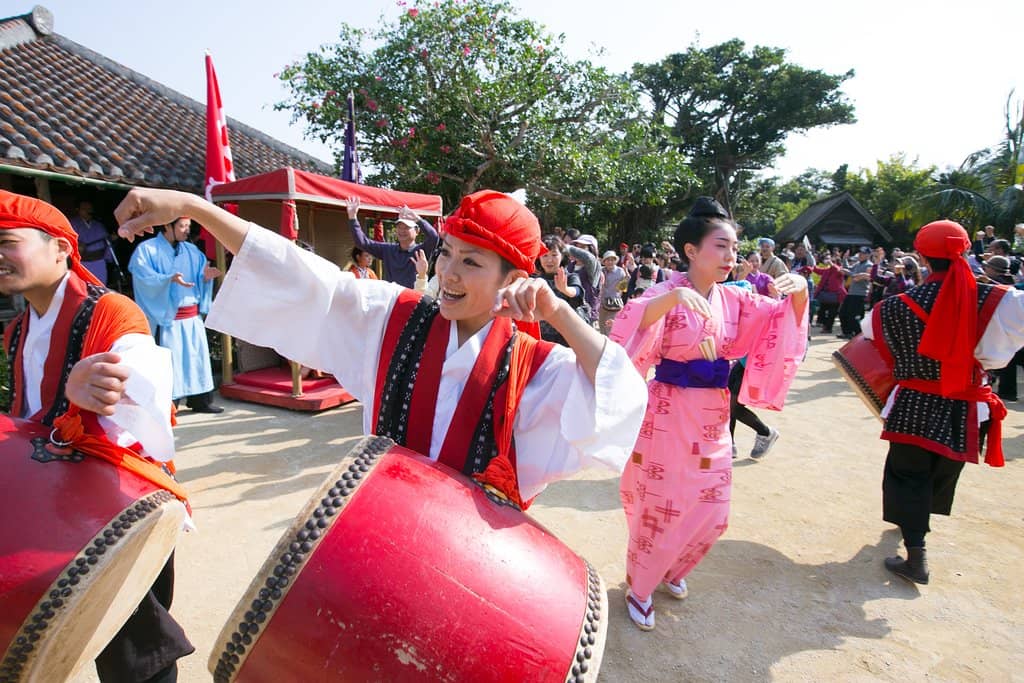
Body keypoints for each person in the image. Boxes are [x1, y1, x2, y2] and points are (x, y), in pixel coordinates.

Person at [114, 187, 647, 513]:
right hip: (378, 529)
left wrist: (558, 314)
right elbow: (302, 275)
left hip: (475, 562)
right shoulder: (393, 317)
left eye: (472, 263)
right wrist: (195, 208)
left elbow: (620, 392)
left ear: (514, 278)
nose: (449, 274)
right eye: (448, 254)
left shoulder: (535, 367)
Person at [0, 190, 193, 682]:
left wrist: (99, 388)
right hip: (58, 503)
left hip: (114, 508)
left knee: (134, 651)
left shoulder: (110, 313)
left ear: (62, 248)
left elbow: (144, 395)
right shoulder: (18, 330)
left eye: (7, 242)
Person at [610, 197, 808, 631]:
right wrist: (673, 297)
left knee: (712, 509)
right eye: (721, 246)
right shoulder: (665, 291)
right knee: (664, 503)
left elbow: (779, 320)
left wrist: (800, 292)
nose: (731, 256)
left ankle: (672, 568)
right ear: (691, 251)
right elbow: (631, 324)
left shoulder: (735, 299)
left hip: (714, 412)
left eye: (735, 248)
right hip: (668, 410)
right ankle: (641, 586)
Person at [861, 220, 1024, 585]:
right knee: (939, 473)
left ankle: (916, 554)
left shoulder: (892, 308)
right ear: (967, 252)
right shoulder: (1001, 301)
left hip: (913, 405)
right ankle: (916, 524)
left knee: (907, 475)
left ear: (920, 257)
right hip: (967, 407)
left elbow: (867, 334)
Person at [128, 217, 224, 414]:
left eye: (188, 226)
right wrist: (167, 279)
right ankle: (169, 405)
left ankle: (201, 401)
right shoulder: (147, 250)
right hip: (168, 318)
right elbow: (142, 277)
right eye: (182, 226)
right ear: (166, 225)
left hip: (191, 316)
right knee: (170, 364)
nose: (186, 230)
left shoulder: (192, 251)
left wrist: (205, 277)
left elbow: (200, 273)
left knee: (196, 359)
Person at [347, 199, 439, 288]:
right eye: (399, 227)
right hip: (392, 300)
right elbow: (362, 243)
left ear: (417, 231)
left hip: (413, 300)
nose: (402, 231)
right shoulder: (388, 250)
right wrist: (352, 218)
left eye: (406, 227)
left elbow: (434, 237)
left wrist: (417, 218)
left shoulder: (421, 252)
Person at [534, 235, 588, 346]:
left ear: (562, 256)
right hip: (540, 336)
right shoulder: (534, 280)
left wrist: (566, 290)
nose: (549, 260)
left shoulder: (571, 277)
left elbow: (577, 291)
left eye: (554, 255)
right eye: (544, 255)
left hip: (565, 336)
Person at [69, 199, 117, 286]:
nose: (88, 211)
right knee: (84, 289)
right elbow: (68, 240)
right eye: (84, 208)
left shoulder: (99, 225)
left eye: (90, 209)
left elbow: (107, 242)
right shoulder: (72, 224)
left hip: (99, 262)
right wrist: (77, 245)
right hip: (82, 263)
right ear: (78, 210)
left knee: (100, 287)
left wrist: (111, 239)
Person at [837, 246, 873, 339]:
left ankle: (857, 333)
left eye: (863, 253)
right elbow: (848, 268)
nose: (860, 255)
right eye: (860, 253)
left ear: (868, 255)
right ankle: (846, 332)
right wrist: (844, 259)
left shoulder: (869, 265)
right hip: (851, 293)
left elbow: (858, 277)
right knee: (843, 313)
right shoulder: (857, 264)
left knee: (854, 315)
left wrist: (848, 272)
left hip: (860, 294)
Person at [812, 254, 846, 333]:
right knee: (821, 312)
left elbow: (838, 270)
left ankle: (828, 328)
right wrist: (811, 258)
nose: (830, 262)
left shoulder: (840, 271)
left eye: (833, 261)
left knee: (832, 314)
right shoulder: (827, 270)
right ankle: (825, 325)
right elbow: (816, 270)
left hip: (835, 296)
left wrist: (832, 264)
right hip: (825, 296)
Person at [598, 250, 627, 334]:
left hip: (614, 305)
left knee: (610, 329)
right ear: (604, 261)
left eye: (612, 259)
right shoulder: (601, 271)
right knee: (602, 327)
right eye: (608, 260)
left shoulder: (620, 272)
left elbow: (623, 289)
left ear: (615, 261)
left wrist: (626, 278)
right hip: (602, 304)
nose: (610, 262)